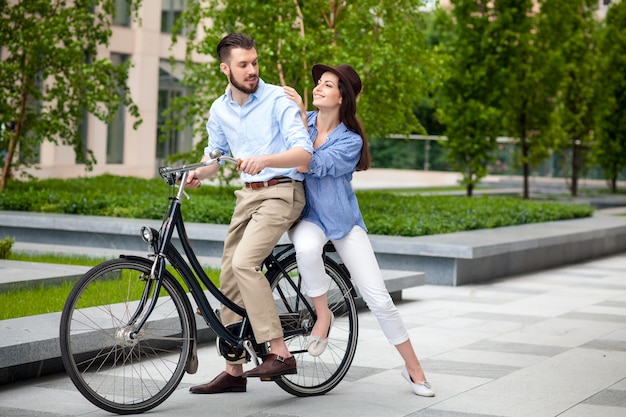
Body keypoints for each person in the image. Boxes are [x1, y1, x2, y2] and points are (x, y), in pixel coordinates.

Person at [284, 64, 436, 397]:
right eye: (319, 83)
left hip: (343, 221)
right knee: (307, 250)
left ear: (342, 98)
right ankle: (323, 315)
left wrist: (296, 117)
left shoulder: (349, 141)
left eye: (328, 85)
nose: (319, 88)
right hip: (308, 217)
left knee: (379, 300)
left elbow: (308, 164)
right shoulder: (303, 121)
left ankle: (414, 369)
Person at [185, 33, 313, 394]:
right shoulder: (219, 108)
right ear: (225, 68)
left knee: (244, 263)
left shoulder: (277, 99)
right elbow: (215, 155)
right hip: (247, 197)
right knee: (228, 277)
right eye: (243, 64)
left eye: (254, 62)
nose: (252, 70)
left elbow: (303, 154)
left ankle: (280, 351)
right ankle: (234, 370)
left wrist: (265, 160)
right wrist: (198, 172)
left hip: (282, 192)